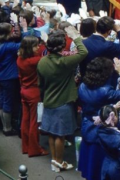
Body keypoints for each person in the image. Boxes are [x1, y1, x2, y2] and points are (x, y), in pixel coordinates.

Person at [37, 26, 87, 170]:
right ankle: (59, 161)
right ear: (61, 47)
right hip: (63, 102)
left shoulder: (42, 62)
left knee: (52, 133)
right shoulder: (65, 62)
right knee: (60, 135)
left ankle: (54, 160)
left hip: (49, 100)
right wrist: (76, 36)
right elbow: (84, 52)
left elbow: (40, 83)